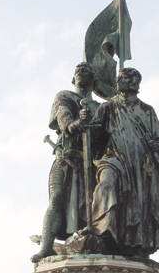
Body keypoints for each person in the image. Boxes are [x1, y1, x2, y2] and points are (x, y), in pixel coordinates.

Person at [84, 67, 159, 257]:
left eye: (123, 78)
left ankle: (131, 240)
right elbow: (96, 132)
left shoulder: (147, 111)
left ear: (133, 83)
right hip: (114, 157)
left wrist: (158, 146)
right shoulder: (108, 107)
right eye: (119, 78)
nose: (118, 81)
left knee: (136, 203)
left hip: (139, 165)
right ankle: (101, 229)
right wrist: (86, 126)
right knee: (106, 183)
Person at [31, 62, 99, 263]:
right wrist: (74, 124)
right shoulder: (65, 96)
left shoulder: (100, 107)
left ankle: (89, 244)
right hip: (66, 157)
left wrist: (93, 127)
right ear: (73, 78)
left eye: (85, 71)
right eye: (77, 70)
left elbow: (106, 132)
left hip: (90, 162)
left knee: (92, 207)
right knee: (57, 199)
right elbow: (63, 117)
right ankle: (46, 247)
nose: (80, 73)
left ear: (93, 79)